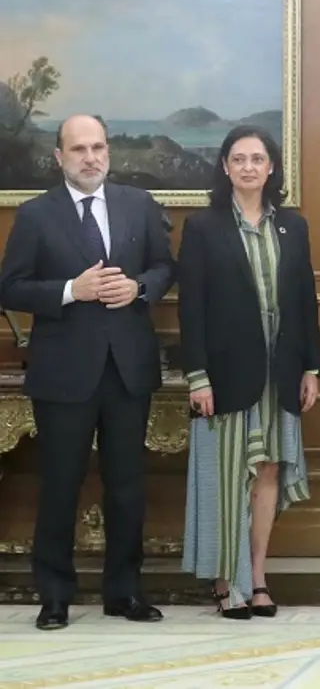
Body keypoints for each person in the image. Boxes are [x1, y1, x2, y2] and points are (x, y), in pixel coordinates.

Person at [0, 114, 174, 631]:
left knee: (126, 486)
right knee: (60, 485)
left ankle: (124, 593)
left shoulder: (138, 205)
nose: (90, 157)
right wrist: (70, 291)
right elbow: (9, 287)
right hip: (63, 373)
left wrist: (139, 288)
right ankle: (54, 596)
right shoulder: (35, 215)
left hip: (127, 369)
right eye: (78, 149)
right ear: (59, 157)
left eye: (98, 147)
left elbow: (166, 267)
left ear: (109, 152)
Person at [177, 126, 320, 620]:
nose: (248, 167)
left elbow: (303, 302)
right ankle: (226, 582)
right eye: (238, 159)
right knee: (226, 476)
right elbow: (190, 308)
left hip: (279, 373)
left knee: (268, 471)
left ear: (272, 167)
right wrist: (197, 376)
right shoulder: (203, 228)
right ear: (225, 167)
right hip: (224, 374)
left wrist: (310, 368)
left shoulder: (292, 227)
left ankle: (256, 578)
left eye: (258, 158)